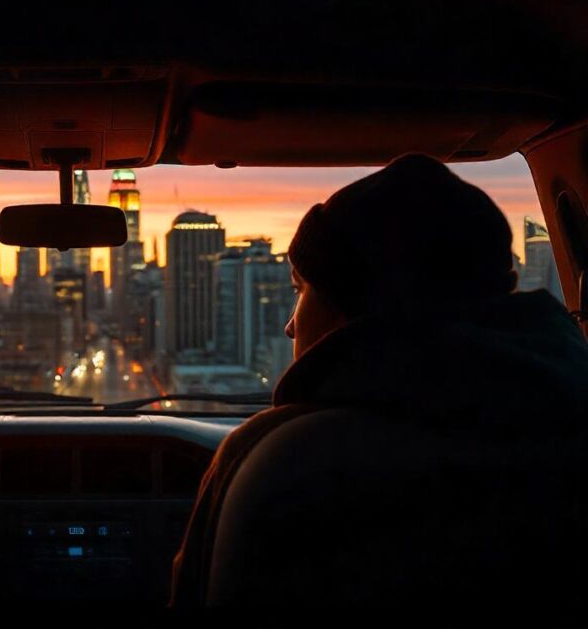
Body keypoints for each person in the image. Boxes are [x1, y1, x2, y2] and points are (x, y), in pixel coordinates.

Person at [169, 153, 588, 606]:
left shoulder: (275, 462)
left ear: (357, 309)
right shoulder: (571, 426)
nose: (290, 325)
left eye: (300, 290)